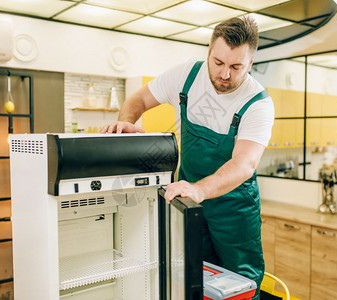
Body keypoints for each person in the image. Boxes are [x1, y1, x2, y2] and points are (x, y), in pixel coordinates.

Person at [101, 16, 274, 300]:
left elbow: (245, 163)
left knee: (240, 287)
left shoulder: (257, 103)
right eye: (218, 63)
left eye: (236, 67)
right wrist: (127, 126)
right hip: (189, 202)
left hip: (235, 209)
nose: (225, 75)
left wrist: (199, 189)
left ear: (250, 64)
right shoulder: (187, 76)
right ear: (208, 52)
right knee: (194, 277)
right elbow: (139, 100)